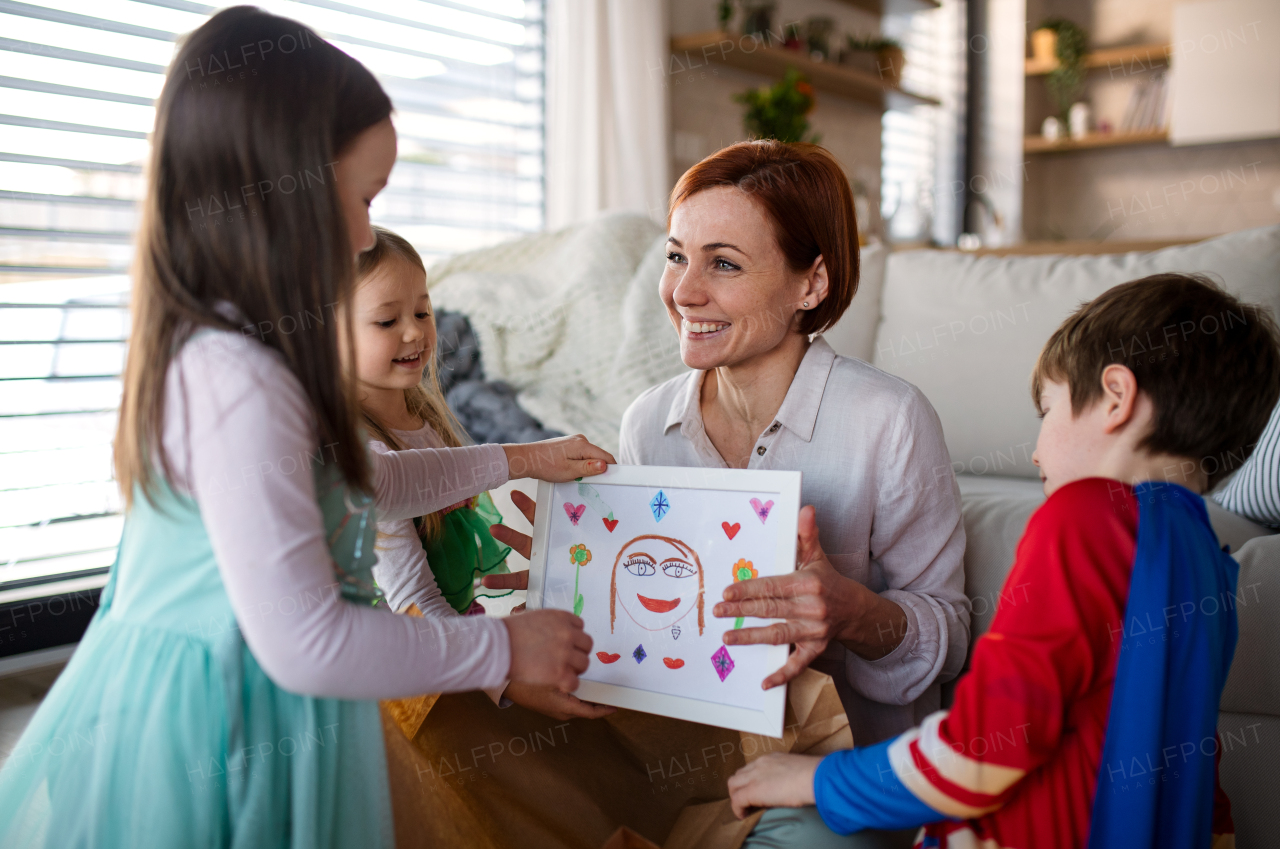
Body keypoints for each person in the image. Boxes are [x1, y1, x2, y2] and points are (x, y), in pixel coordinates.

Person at [0, 9, 614, 847]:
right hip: (215, 723)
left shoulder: (251, 351)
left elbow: (370, 481)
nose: (365, 232)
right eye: (361, 198)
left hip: (267, 708)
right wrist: (500, 648)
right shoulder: (236, 376)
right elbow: (307, 643)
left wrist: (524, 456)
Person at [484, 139, 970, 845]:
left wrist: (854, 612)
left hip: (845, 776)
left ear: (812, 284)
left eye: (724, 263)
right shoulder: (649, 422)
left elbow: (952, 636)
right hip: (697, 767)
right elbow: (656, 624)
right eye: (677, 255)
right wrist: (568, 582)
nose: (683, 292)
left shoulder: (888, 420)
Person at [727, 273, 1279, 848]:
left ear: (1116, 396)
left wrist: (818, 779)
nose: (1037, 449)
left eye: (1048, 410)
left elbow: (986, 747)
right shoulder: (1211, 562)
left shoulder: (1085, 517)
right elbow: (1198, 770)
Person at [349, 224, 615, 721]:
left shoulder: (425, 414)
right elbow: (412, 598)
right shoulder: (356, 448)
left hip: (456, 640)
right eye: (387, 321)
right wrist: (508, 677)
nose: (413, 331)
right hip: (418, 675)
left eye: (423, 312)